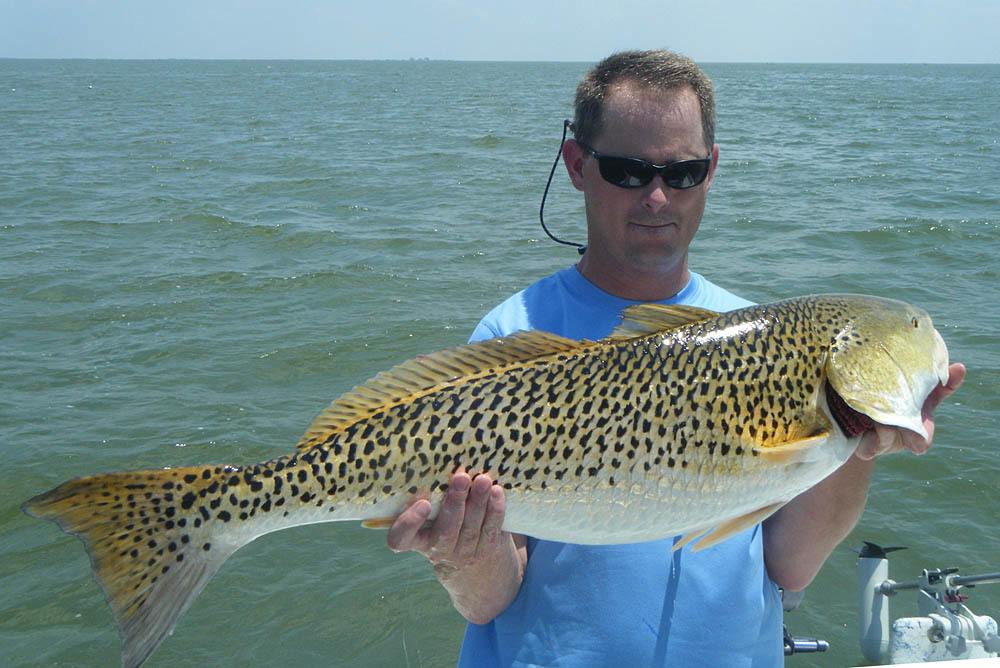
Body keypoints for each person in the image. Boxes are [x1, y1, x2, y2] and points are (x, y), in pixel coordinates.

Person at [386, 50, 966, 666]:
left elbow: (789, 565)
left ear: (712, 170)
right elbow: (488, 602)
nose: (658, 198)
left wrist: (858, 445)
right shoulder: (510, 338)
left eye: (683, 172)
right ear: (578, 165)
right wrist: (461, 553)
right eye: (628, 171)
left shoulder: (763, 337)